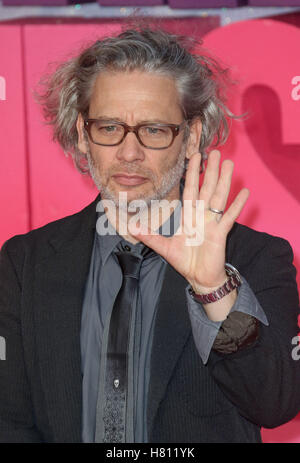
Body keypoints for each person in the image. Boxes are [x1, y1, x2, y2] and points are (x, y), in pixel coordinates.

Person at [0, 27, 299, 444]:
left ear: (191, 136)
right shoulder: (24, 262)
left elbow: (276, 402)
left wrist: (213, 288)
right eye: (109, 127)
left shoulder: (256, 257)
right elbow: (10, 421)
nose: (128, 152)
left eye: (154, 130)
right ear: (84, 136)